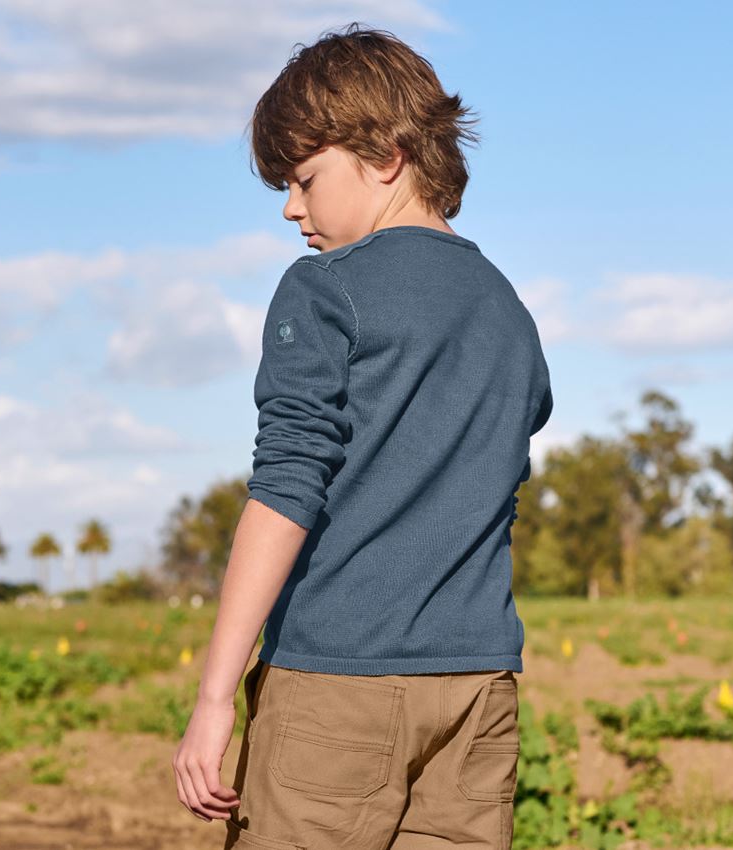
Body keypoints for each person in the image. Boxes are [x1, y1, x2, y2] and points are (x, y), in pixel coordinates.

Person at [172, 22, 553, 850]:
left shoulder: (324, 290)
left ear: (385, 156)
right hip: (480, 690)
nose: (291, 207)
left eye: (305, 178)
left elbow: (287, 488)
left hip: (335, 686)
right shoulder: (509, 312)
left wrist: (213, 696)